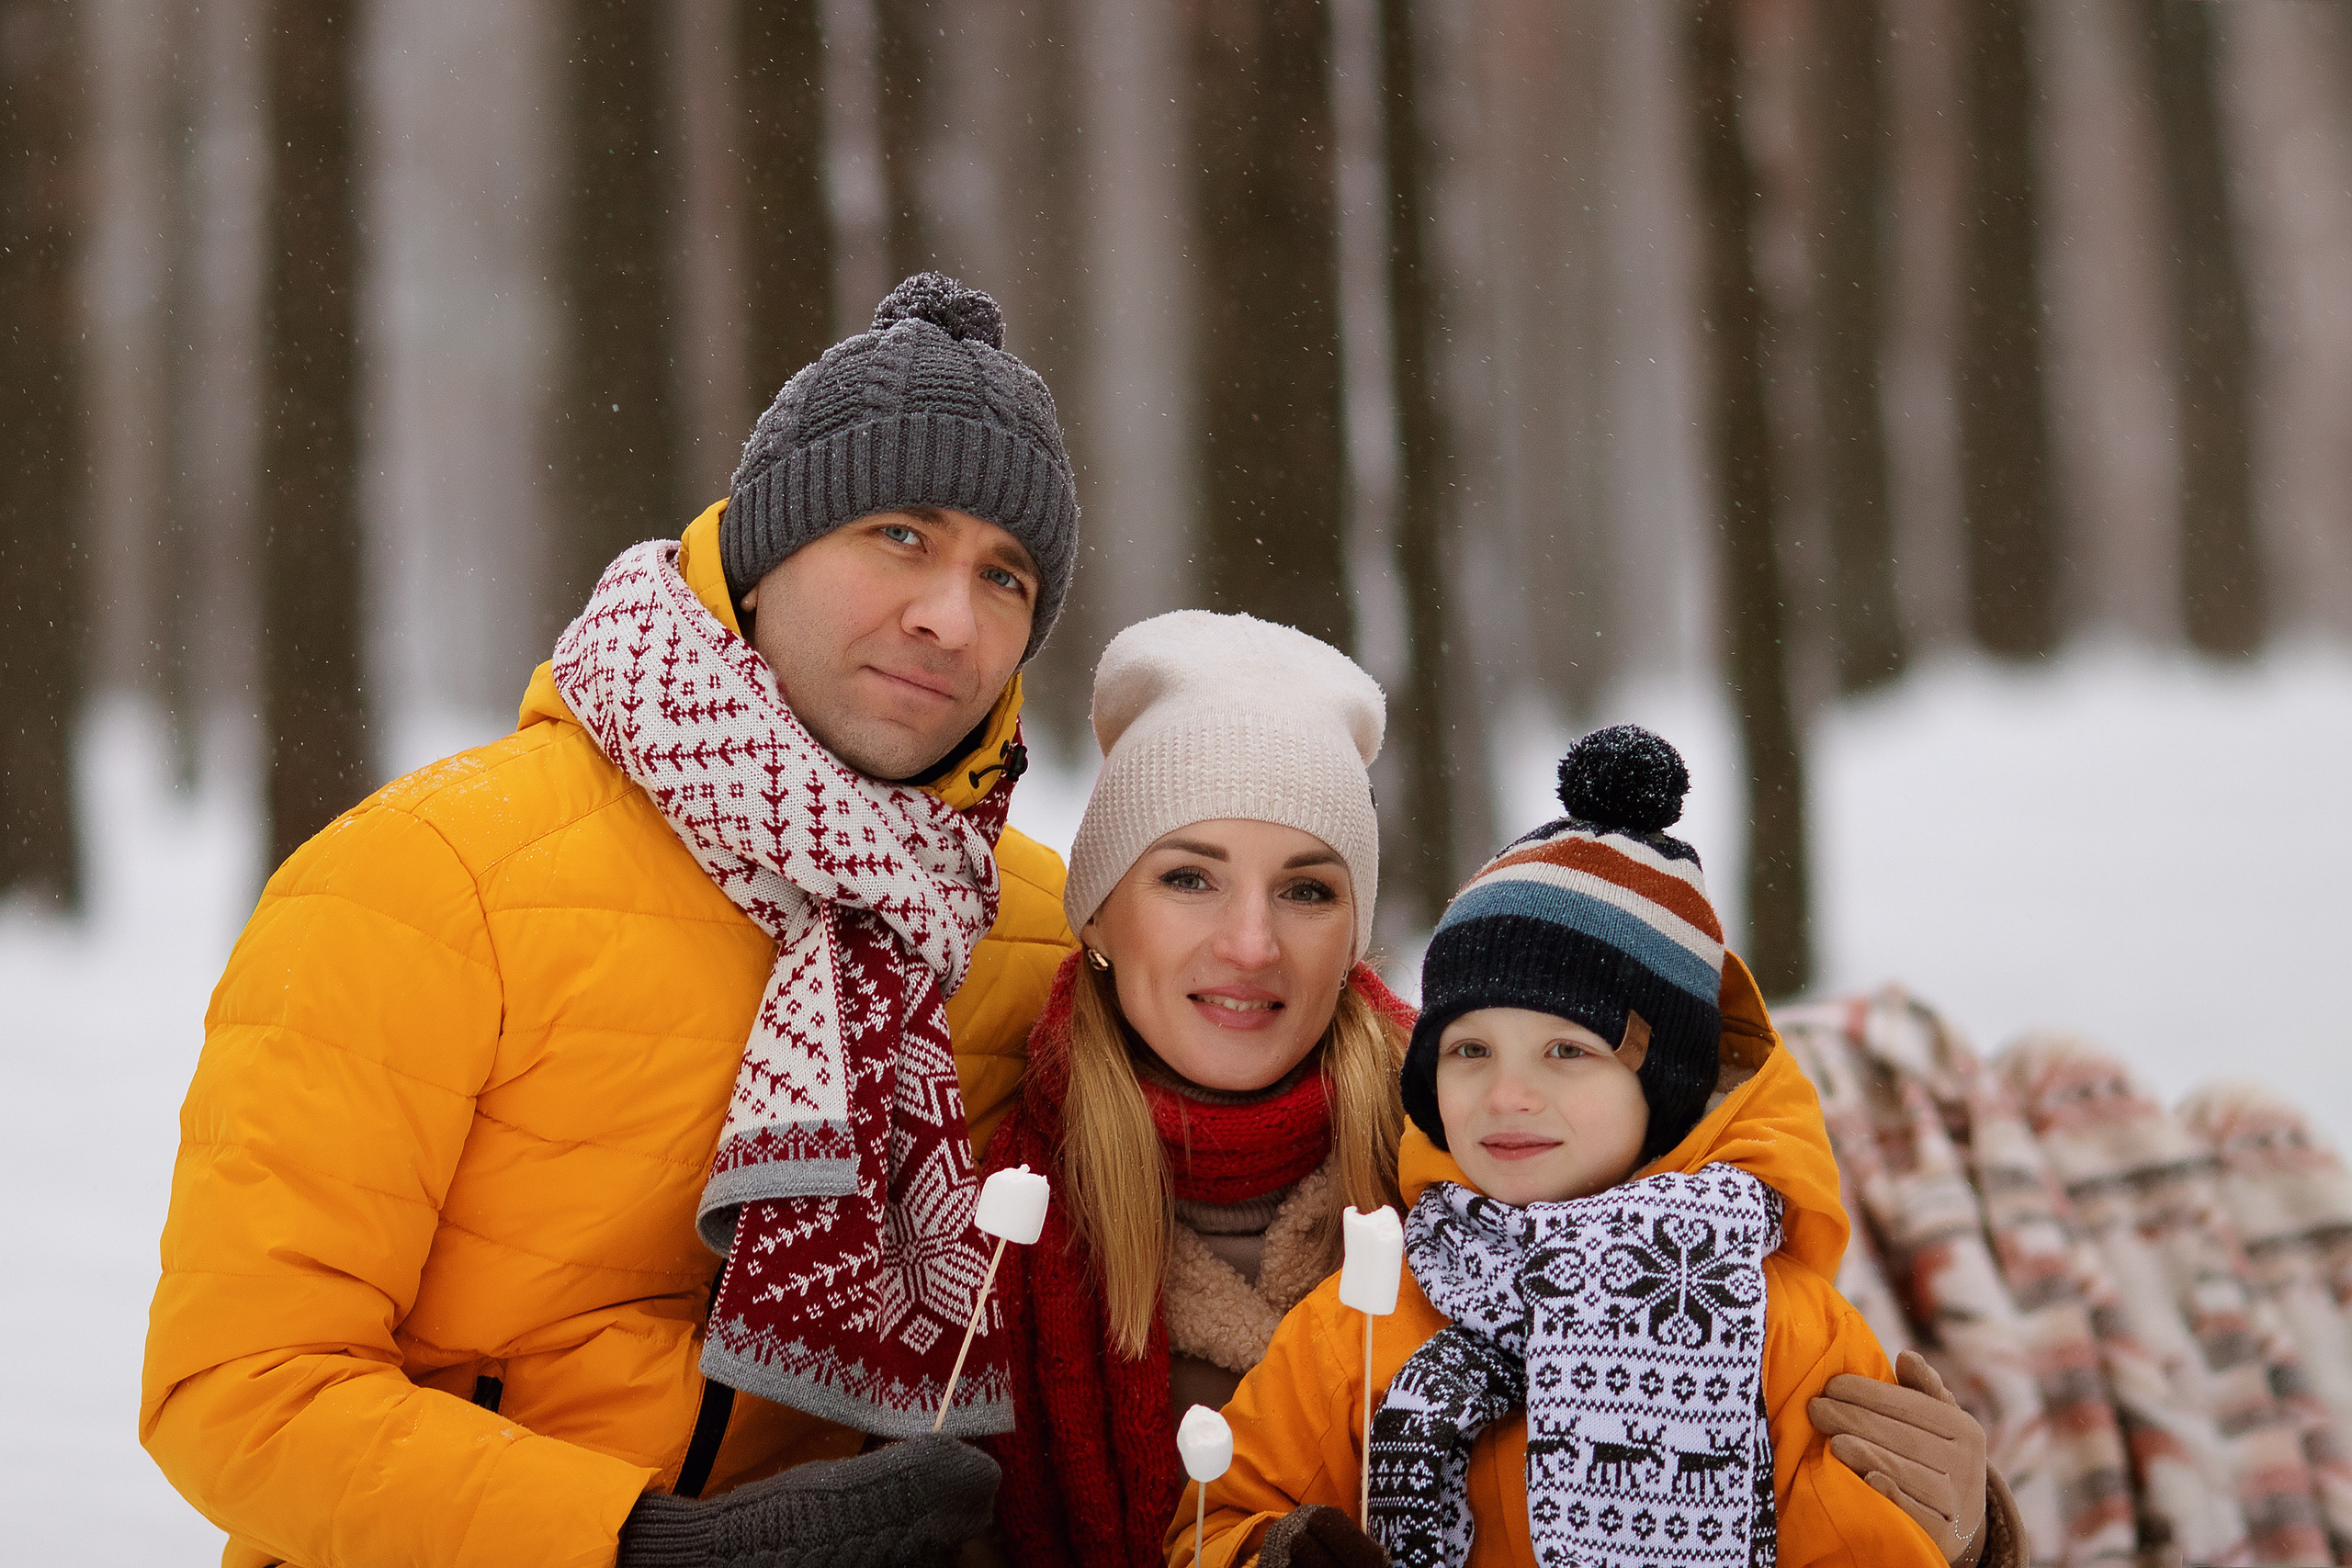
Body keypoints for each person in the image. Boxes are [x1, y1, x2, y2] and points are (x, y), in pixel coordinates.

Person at [140, 274, 1081, 1568]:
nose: (951, 618)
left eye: (1007, 573)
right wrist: (639, 1546)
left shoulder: (1022, 929)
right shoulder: (430, 877)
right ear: (762, 556)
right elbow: (238, 1383)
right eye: (901, 535)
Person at [1177, 726, 2030, 1568]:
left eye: (1568, 1051)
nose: (1508, 1093)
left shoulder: (1779, 1327)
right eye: (1470, 1050)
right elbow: (1218, 1521)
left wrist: (1950, 1540)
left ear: (1662, 1086)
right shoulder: (1364, 1318)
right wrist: (1273, 1556)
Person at [974, 610, 1417, 1567]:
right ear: (1096, 914)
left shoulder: (1470, 1151)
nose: (1251, 945)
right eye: (1188, 878)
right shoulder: (991, 1227)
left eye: (1307, 891)